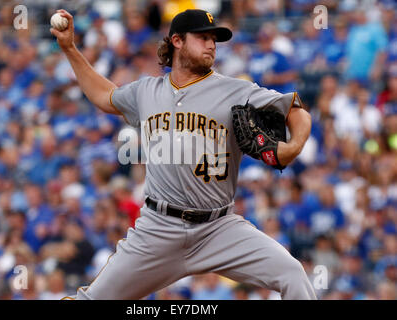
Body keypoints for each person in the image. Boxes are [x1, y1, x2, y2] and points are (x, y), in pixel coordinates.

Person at [51, 8, 316, 300]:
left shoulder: (235, 90)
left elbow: (296, 109)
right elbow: (104, 95)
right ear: (177, 41)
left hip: (219, 228)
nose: (212, 44)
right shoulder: (146, 91)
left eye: (214, 38)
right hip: (157, 230)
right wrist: (70, 48)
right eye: (203, 37)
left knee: (292, 274)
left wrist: (292, 147)